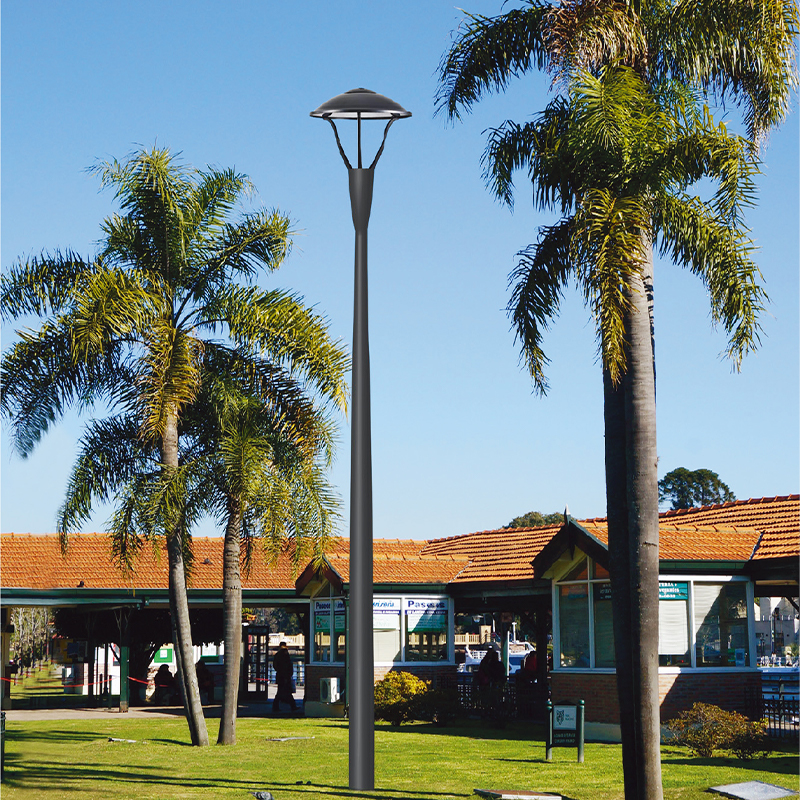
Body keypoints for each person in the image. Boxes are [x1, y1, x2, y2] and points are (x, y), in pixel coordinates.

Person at [272, 641, 297, 712]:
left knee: (283, 692)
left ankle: (292, 705)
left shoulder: (278, 655)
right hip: (284, 676)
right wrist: (288, 674)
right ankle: (291, 706)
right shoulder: (285, 655)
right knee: (282, 693)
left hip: (281, 676)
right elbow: (287, 666)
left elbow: (275, 666)